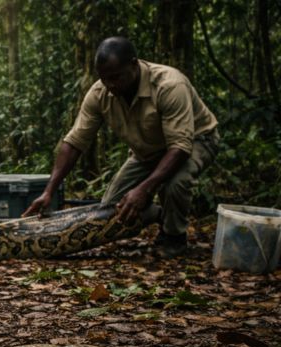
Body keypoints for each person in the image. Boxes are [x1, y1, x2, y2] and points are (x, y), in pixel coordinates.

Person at [23, 37, 220, 257]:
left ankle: (174, 238)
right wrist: (49, 192)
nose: (110, 85)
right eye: (104, 78)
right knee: (111, 211)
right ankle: (160, 214)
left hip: (196, 141)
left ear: (133, 65)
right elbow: (74, 142)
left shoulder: (169, 85)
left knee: (175, 183)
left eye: (115, 77)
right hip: (148, 151)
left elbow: (180, 148)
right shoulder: (99, 94)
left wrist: (144, 190)